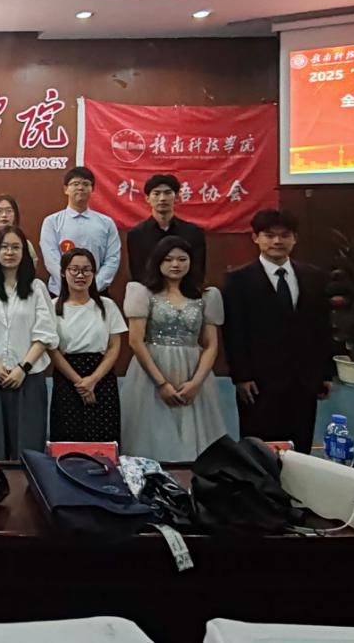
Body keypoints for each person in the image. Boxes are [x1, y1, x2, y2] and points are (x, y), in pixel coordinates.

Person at [223, 209, 332, 454]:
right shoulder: (238, 280)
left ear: (295, 239)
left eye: (284, 235)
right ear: (255, 238)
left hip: (303, 378)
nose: (277, 241)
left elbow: (322, 327)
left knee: (300, 444)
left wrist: (325, 373)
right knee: (259, 447)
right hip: (259, 380)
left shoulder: (313, 277)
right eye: (269, 235)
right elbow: (234, 332)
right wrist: (241, 376)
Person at [122, 236, 226, 462]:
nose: (175, 264)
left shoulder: (207, 296)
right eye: (168, 259)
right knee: (153, 438)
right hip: (151, 372)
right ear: (158, 262)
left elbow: (211, 345)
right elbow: (135, 341)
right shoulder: (143, 293)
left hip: (194, 371)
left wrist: (196, 383)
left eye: (182, 259)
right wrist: (162, 384)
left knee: (197, 442)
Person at [0, 227, 59, 458]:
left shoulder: (37, 288)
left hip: (30, 376)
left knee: (29, 446)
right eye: (4, 247)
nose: (10, 252)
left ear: (24, 253)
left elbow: (45, 333)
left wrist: (22, 368)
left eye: (16, 247)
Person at [49, 249, 127, 443]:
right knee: (68, 436)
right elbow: (52, 349)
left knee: (104, 437)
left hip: (102, 377)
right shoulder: (52, 306)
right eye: (74, 269)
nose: (80, 275)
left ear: (94, 273)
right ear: (63, 272)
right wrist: (80, 383)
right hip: (67, 377)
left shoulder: (107, 306)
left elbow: (114, 347)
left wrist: (93, 380)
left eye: (86, 270)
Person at [40, 167, 121, 297]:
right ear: (66, 189)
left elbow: (112, 259)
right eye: (75, 184)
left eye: (85, 184)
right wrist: (69, 285)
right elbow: (51, 259)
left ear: (92, 189)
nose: (80, 188)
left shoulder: (106, 223)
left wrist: (93, 286)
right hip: (60, 292)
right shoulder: (52, 222)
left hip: (97, 292)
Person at [126, 174, 207, 285]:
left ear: (176, 197)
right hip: (149, 291)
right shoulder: (137, 234)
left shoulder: (193, 232)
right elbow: (138, 271)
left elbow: (198, 270)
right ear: (147, 198)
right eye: (156, 193)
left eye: (168, 193)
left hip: (185, 291)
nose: (162, 198)